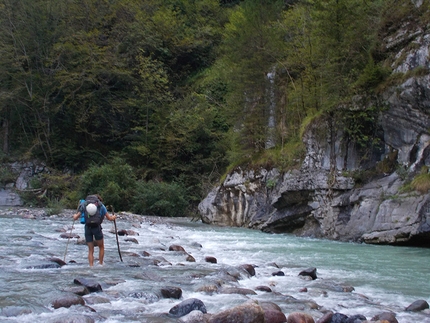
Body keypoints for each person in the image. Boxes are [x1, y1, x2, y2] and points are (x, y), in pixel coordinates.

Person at [72, 194, 116, 267]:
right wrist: (114, 217)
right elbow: (110, 218)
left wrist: (74, 215)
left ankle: (91, 266)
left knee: (90, 250)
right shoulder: (101, 206)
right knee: (101, 247)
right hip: (97, 228)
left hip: (87, 228)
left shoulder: (84, 205)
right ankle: (101, 264)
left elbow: (75, 217)